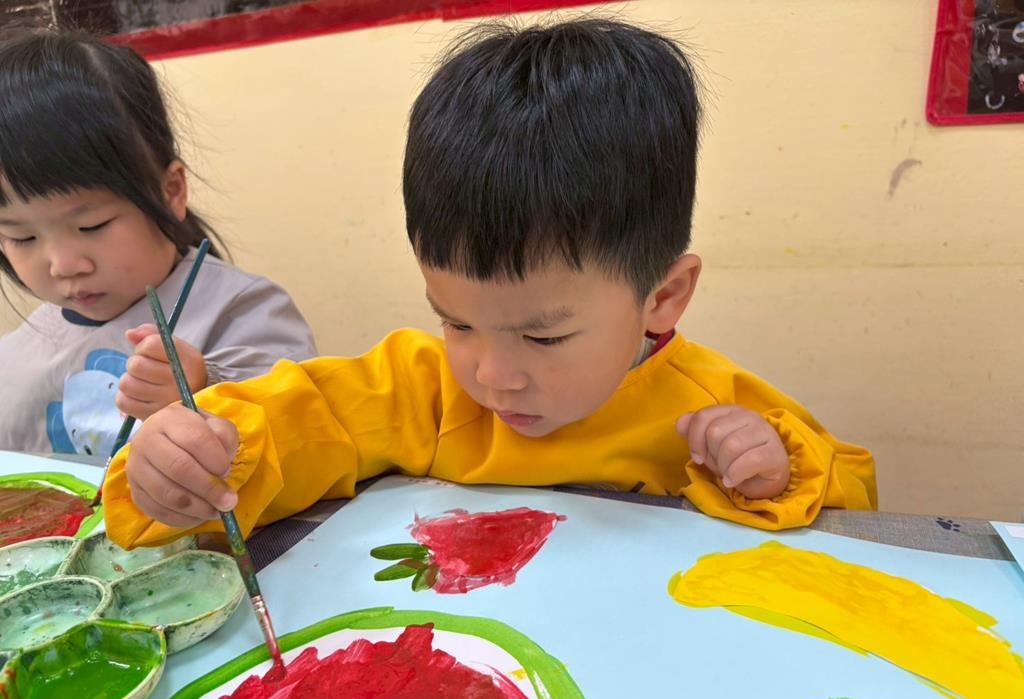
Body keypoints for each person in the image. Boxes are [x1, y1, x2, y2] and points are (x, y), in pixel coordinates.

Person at [104, 18, 876, 548]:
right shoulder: (423, 391)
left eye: (543, 334)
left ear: (662, 298)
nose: (492, 375)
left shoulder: (707, 406)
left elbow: (855, 500)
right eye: (457, 321)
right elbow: (304, 419)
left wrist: (773, 472)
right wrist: (202, 459)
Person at [0, 27, 317, 457]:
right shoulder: (16, 357)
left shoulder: (243, 311)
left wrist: (204, 389)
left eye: (92, 225)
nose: (64, 264)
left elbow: (306, 431)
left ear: (171, 192)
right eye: (21, 236)